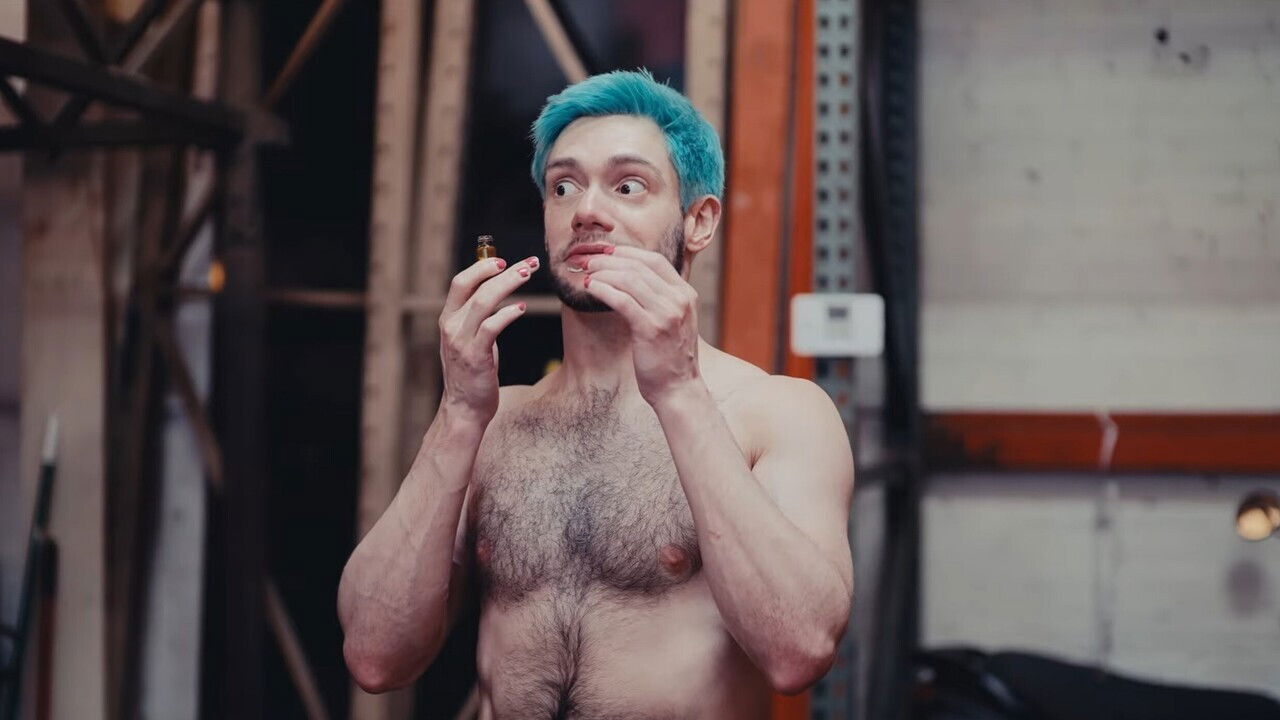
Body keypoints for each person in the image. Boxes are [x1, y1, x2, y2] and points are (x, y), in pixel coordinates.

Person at [337, 69, 854, 719]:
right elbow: (374, 657)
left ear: (698, 221)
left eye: (628, 185)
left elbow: (800, 650)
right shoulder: (496, 424)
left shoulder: (776, 414)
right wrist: (460, 412)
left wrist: (679, 391)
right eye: (564, 186)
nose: (585, 210)